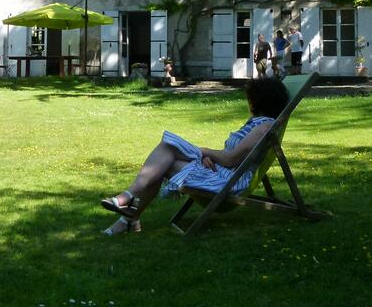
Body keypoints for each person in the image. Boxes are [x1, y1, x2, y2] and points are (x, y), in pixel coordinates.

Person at [99, 78, 291, 235]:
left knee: (167, 151)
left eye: (250, 97)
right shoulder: (256, 123)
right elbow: (231, 157)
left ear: (259, 100)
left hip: (227, 183)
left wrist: (205, 151)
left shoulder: (264, 127)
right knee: (166, 153)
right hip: (220, 172)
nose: (248, 101)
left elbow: (231, 160)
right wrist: (209, 158)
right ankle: (129, 212)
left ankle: (128, 204)